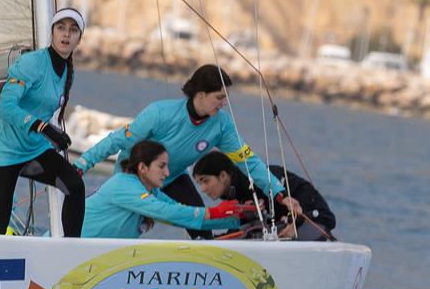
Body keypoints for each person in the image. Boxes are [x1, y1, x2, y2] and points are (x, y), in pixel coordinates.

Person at [73, 64, 301, 239]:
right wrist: (82, 165)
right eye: (220, 97)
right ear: (200, 94)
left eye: (226, 98)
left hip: (171, 177)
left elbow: (248, 161)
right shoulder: (159, 114)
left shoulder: (221, 125)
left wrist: (279, 193)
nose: (224, 104)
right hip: (136, 179)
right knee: (126, 223)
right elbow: (117, 140)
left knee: (198, 225)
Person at [0, 8, 86, 237]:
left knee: (75, 187)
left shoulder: (69, 71)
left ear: (80, 38)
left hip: (34, 150)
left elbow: (46, 109)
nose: (66, 35)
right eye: (61, 28)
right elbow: (5, 107)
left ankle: (72, 252)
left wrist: (54, 132)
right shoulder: (30, 63)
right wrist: (44, 127)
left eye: (73, 30)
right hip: (3, 153)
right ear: (52, 32)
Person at [82, 141, 247, 239]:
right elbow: (166, 212)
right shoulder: (123, 184)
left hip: (93, 252)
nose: (167, 173)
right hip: (68, 244)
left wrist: (237, 220)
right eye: (162, 166)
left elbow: (180, 214)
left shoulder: (152, 192)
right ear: (142, 167)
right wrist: (214, 212)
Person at [193, 151, 336, 241]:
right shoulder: (236, 197)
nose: (203, 189)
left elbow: (322, 211)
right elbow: (241, 227)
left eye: (206, 181)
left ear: (223, 176)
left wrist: (296, 223)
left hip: (316, 224)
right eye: (200, 183)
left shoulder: (262, 178)